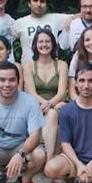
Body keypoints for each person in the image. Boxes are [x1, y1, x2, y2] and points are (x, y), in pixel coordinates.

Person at [22, 28, 69, 159]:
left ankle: (49, 159)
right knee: (52, 112)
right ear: (35, 45)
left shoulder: (61, 65)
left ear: (53, 44)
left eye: (47, 41)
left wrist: (51, 105)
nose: (44, 45)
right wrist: (46, 105)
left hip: (56, 103)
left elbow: (61, 93)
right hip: (35, 104)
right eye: (40, 42)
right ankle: (51, 158)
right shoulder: (29, 65)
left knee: (53, 113)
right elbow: (31, 93)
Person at [11, 0, 73, 64]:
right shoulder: (20, 23)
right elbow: (6, 42)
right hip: (27, 70)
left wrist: (72, 18)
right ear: (29, 3)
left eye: (42, 1)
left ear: (47, 5)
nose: (39, 4)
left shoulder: (55, 18)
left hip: (52, 69)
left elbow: (83, 15)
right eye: (35, 0)